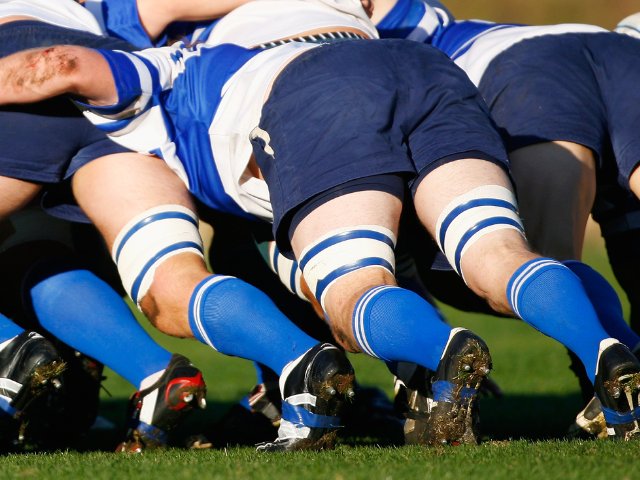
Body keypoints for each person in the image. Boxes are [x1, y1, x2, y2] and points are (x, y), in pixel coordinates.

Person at [3, 0, 640, 446]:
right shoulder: (346, 12)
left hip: (309, 99)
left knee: (352, 292)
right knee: (497, 255)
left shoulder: (173, 66)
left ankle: (433, 358)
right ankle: (610, 357)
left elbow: (65, 66)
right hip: (425, 76)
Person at [370, 0, 640, 439]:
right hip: (620, 49)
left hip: (532, 73)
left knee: (545, 262)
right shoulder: (430, 16)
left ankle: (615, 388)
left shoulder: (367, 39)